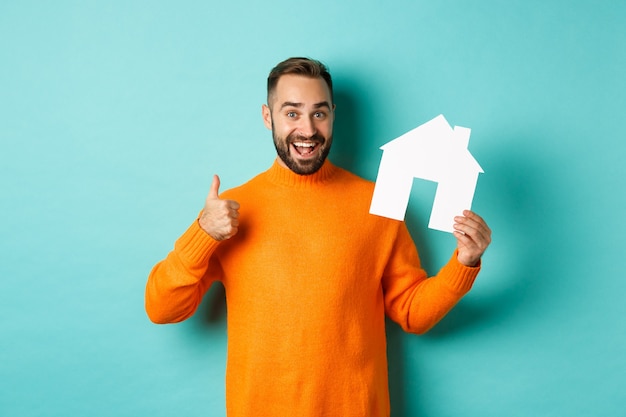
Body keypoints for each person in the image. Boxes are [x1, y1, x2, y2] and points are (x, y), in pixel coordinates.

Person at [145, 57, 492, 417]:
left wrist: (463, 264)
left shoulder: (379, 204)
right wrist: (201, 234)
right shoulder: (231, 211)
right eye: (292, 113)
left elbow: (411, 313)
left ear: (333, 116)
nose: (307, 130)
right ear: (268, 117)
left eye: (319, 113)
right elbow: (162, 309)